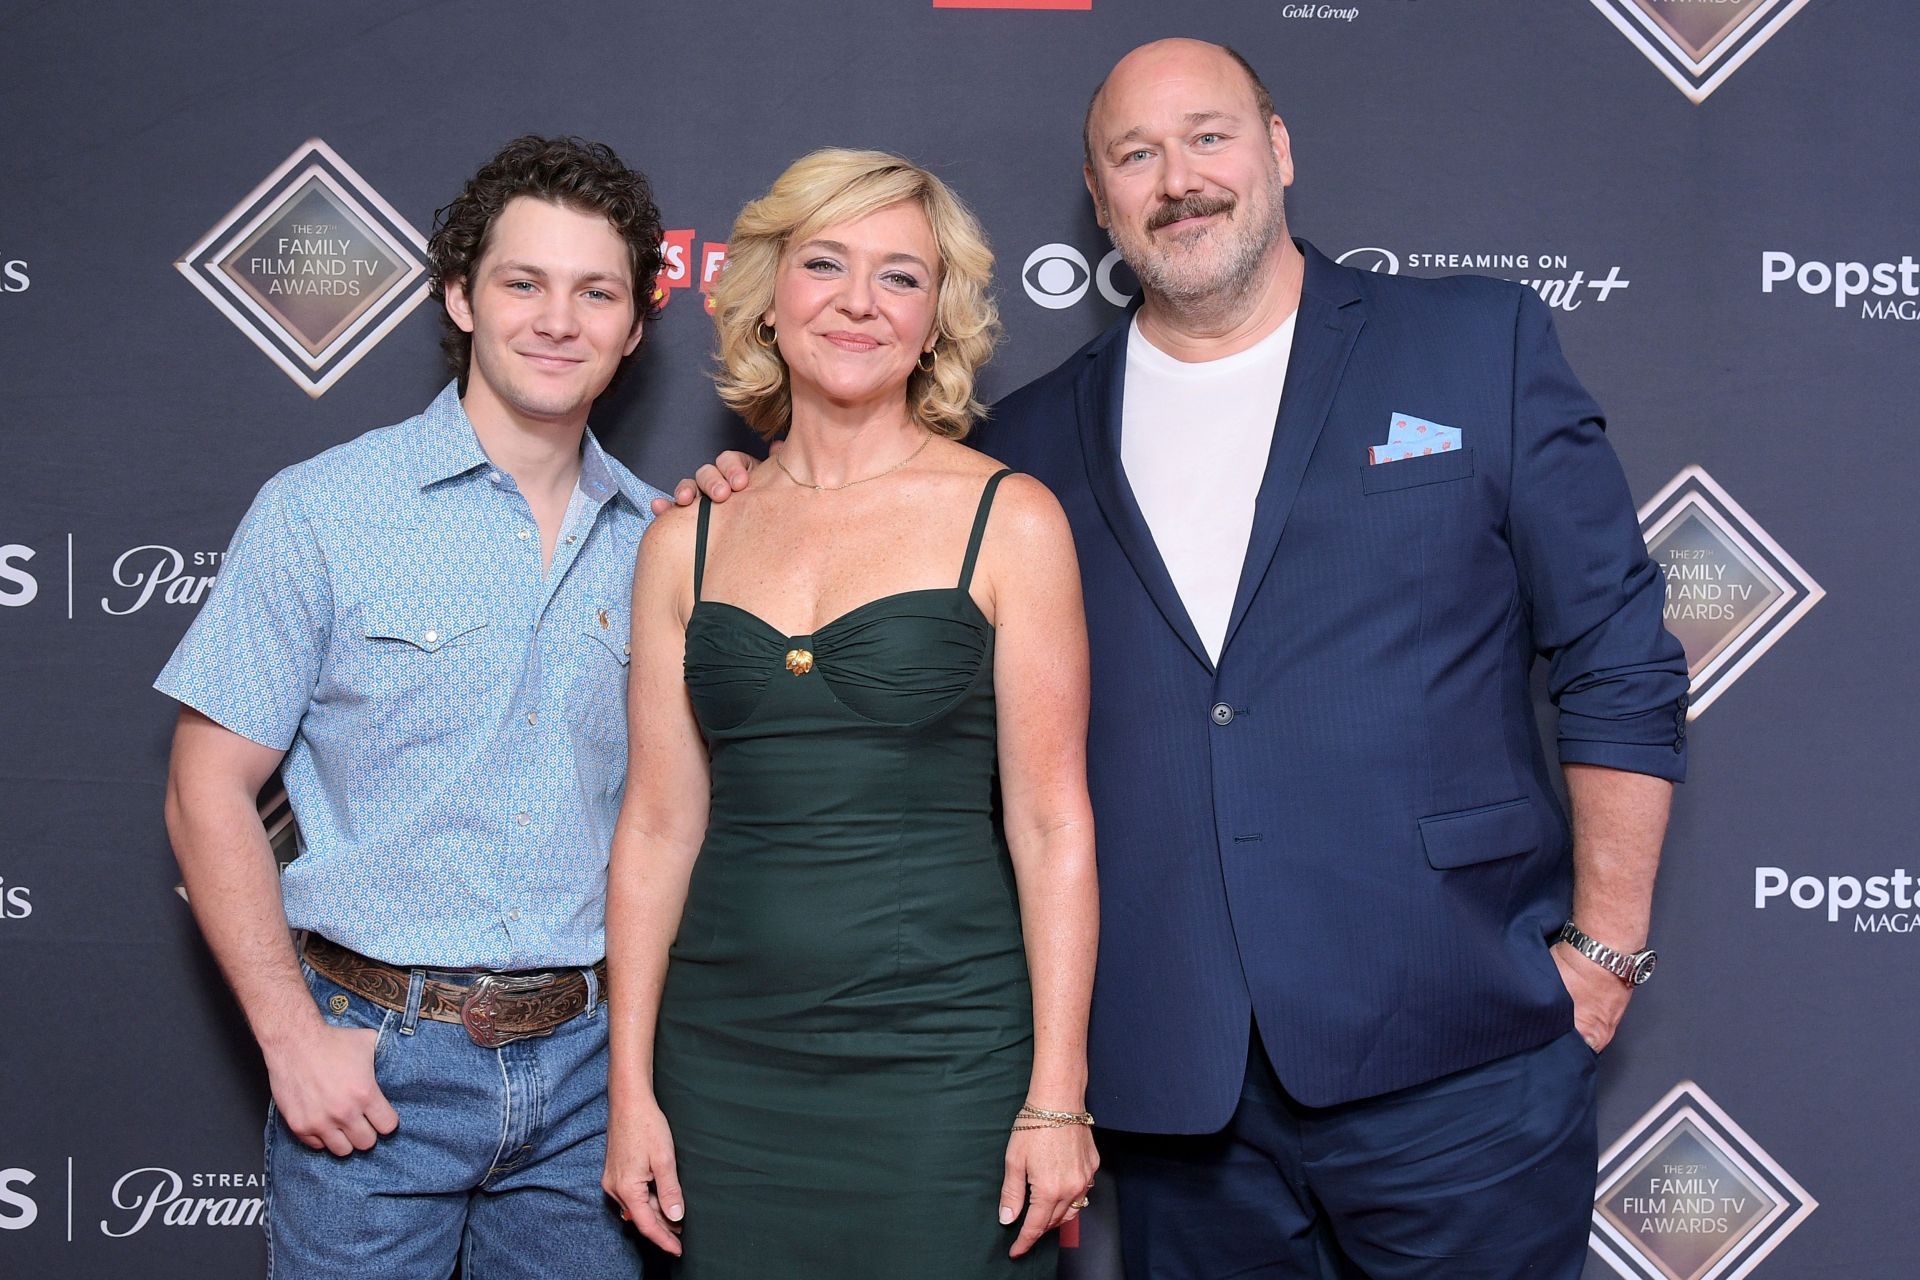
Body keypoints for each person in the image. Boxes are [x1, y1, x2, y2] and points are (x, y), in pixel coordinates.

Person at [675, 39, 1689, 1280]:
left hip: (1460, 1051)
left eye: (1208, 136)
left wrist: (1606, 948)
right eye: (1135, 154)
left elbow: (1619, 657)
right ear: (1101, 201)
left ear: (1278, 149)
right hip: (1179, 1091)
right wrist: (747, 494)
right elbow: (859, 528)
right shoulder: (1025, 448)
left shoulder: (1479, 344)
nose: (1180, 178)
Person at [157, 135, 668, 1280]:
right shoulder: (323, 510)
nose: (558, 319)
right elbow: (206, 789)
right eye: (522, 282)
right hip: (375, 1063)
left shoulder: (667, 541)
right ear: (460, 296)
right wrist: (292, 1039)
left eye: (597, 292)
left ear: (634, 327)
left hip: (592, 1077)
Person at [600, 148, 1099, 1278]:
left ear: (936, 323)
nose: (860, 303)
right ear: (769, 296)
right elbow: (657, 828)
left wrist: (1058, 1093)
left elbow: (1053, 823)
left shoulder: (1011, 519)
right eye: (825, 264)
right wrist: (629, 1089)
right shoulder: (687, 535)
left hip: (944, 1062)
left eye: (901, 277)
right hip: (721, 1069)